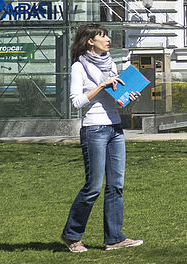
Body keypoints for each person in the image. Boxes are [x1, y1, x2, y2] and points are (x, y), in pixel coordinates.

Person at [61, 23, 143, 253]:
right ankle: (71, 235)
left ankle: (114, 238)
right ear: (90, 41)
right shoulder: (79, 67)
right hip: (94, 129)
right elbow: (76, 101)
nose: (107, 40)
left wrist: (129, 97)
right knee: (94, 186)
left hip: (115, 128)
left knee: (116, 185)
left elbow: (116, 99)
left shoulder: (111, 64)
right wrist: (102, 85)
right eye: (102, 36)